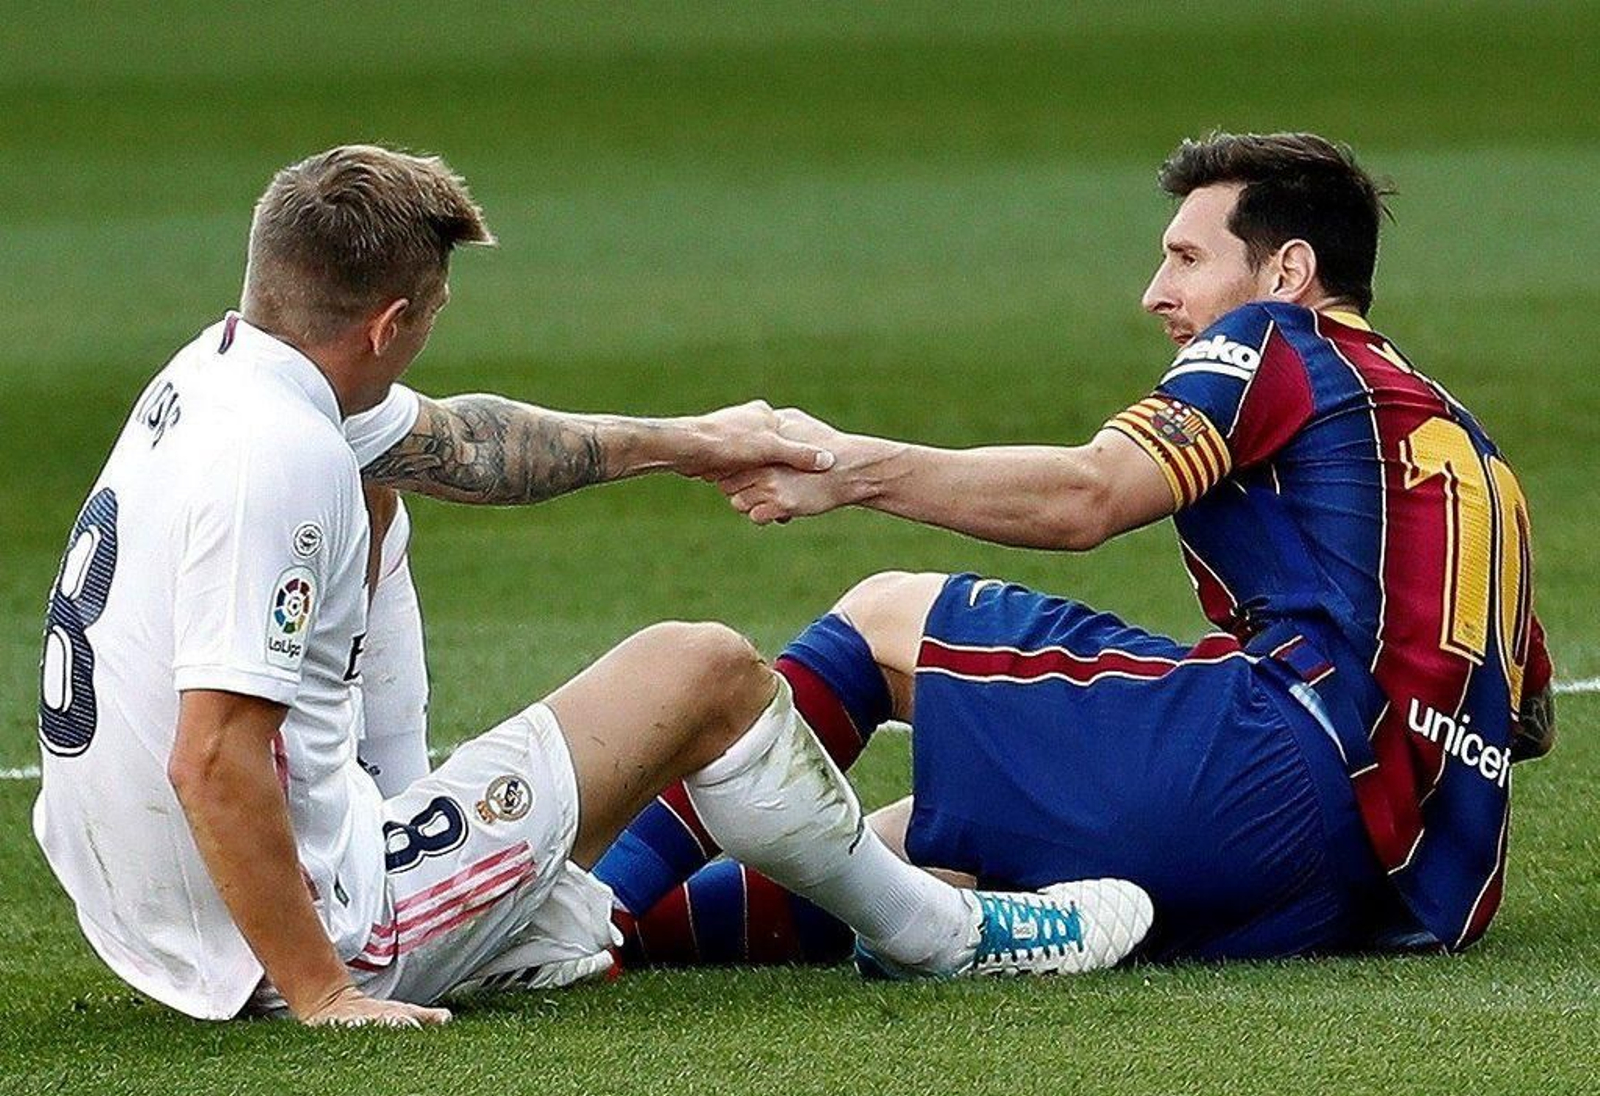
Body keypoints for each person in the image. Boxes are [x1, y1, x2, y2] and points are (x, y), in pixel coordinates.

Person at [32, 145, 1154, 1028]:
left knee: (382, 490)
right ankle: (938, 936)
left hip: (144, 911)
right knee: (705, 671)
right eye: (432, 314)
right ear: (390, 324)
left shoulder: (225, 375)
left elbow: (465, 444)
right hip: (286, 939)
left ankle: (448, 859)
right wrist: (327, 992)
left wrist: (692, 441)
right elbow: (213, 756)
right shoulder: (279, 459)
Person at [595, 132, 1557, 967]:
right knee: (919, 846)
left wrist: (849, 468)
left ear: (1287, 273)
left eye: (1186, 258)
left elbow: (1089, 496)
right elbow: (1528, 716)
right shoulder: (1463, 444)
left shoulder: (1280, 342)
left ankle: (588, 909)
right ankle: (621, 942)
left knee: (885, 617)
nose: (1156, 294)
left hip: (1282, 776)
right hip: (1401, 893)